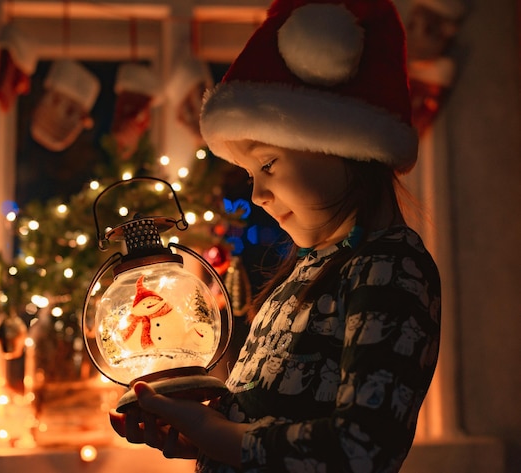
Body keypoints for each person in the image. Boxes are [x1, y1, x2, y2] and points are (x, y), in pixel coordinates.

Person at [109, 0, 441, 471]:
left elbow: (361, 448)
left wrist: (212, 431)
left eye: (267, 164)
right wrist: (199, 438)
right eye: (249, 174)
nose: (258, 193)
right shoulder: (311, 268)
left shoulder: (391, 267)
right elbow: (272, 418)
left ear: (341, 143)